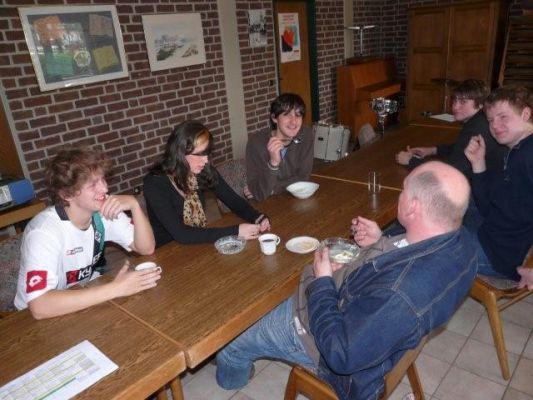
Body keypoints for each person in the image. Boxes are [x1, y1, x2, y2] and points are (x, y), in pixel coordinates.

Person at [215, 161, 477, 400]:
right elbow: (399, 261)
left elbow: (340, 354)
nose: (400, 194)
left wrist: (323, 281)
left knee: (231, 342)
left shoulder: (398, 294)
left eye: (404, 190)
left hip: (323, 341)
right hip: (367, 321)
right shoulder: (461, 241)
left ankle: (232, 382)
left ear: (413, 207)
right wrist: (379, 243)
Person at [14, 146, 158, 319]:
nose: (104, 189)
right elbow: (39, 307)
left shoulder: (102, 210)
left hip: (79, 300)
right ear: (67, 194)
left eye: (103, 179)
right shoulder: (43, 232)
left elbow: (146, 248)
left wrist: (134, 205)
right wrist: (116, 289)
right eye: (93, 185)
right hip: (29, 320)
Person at [143, 120, 270, 247]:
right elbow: (182, 234)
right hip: (167, 250)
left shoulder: (201, 170)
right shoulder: (154, 183)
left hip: (199, 240)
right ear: (180, 153)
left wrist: (257, 217)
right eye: (199, 154)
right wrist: (236, 231)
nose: (205, 160)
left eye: (207, 153)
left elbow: (233, 200)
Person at [464, 85, 533, 286]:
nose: (495, 125)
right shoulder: (517, 150)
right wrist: (478, 163)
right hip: (494, 232)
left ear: (526, 114)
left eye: (503, 117)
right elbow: (487, 207)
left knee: (428, 239)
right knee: (449, 201)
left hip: (501, 257)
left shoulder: (529, 154)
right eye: (491, 120)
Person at [396, 79, 506, 179]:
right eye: (454, 100)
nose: (455, 107)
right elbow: (461, 147)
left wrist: (410, 161)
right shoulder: (479, 120)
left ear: (480, 104)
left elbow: (449, 173)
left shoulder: (477, 129)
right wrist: (433, 150)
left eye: (463, 102)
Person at [245, 93, 314, 201]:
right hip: (265, 204)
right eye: (287, 115)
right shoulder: (256, 143)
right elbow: (259, 194)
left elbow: (303, 177)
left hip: (291, 199)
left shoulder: (305, 136)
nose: (294, 121)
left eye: (298, 115)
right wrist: (273, 164)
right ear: (274, 118)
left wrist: (273, 188)